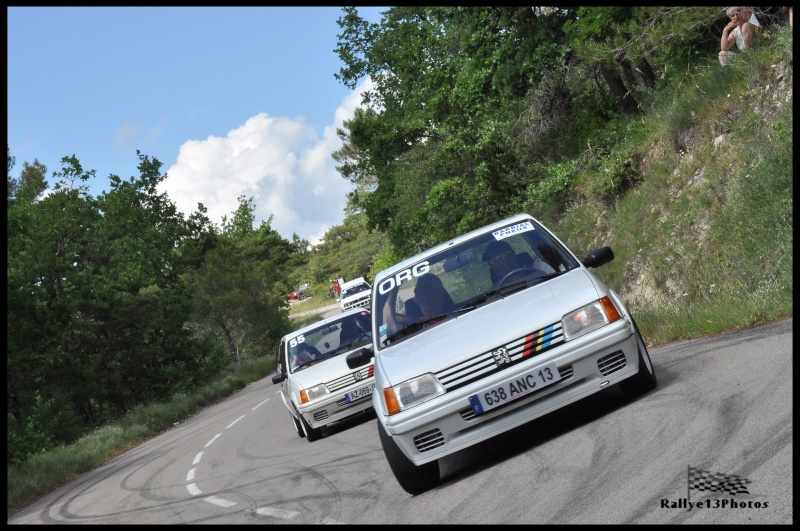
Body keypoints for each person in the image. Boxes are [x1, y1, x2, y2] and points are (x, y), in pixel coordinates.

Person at [483, 240, 555, 285]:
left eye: (499, 257)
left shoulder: (540, 269)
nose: (496, 264)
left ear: (512, 254)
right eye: (491, 262)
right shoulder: (495, 293)